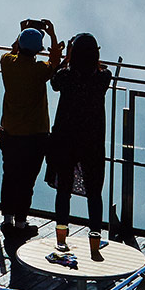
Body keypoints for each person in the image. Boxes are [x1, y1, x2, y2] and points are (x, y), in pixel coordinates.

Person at [46, 33, 112, 257]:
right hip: (92, 141)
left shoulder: (65, 76)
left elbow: (54, 82)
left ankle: (61, 239)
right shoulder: (103, 78)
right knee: (95, 192)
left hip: (66, 139)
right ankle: (95, 241)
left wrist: (67, 58)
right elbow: (102, 69)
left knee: (64, 190)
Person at [0, 19, 60, 238]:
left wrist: (23, 31)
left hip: (10, 131)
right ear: (38, 50)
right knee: (27, 181)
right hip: (35, 134)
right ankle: (21, 224)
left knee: (10, 175)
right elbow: (55, 62)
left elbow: (13, 51)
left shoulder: (7, 62)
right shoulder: (39, 70)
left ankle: (6, 220)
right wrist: (52, 34)